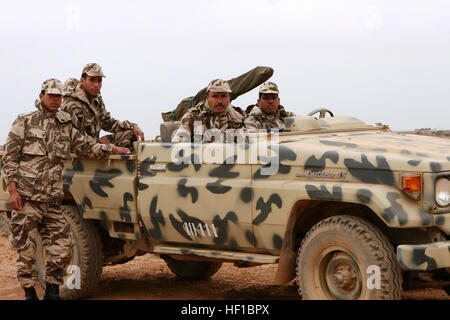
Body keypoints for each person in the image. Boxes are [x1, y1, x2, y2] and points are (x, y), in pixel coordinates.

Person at [1, 79, 131, 300]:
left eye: (59, 96)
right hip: (27, 200)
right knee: (27, 251)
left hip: (52, 201)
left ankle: (52, 292)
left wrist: (113, 148)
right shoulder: (24, 122)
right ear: (41, 95)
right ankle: (30, 292)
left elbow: (86, 145)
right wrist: (13, 192)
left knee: (62, 248)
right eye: (51, 95)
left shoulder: (64, 123)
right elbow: (10, 159)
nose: (55, 100)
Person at [61, 63, 144, 150]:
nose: (96, 85)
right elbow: (77, 140)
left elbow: (107, 122)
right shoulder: (71, 104)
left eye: (99, 81)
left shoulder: (96, 98)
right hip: (80, 149)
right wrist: (108, 148)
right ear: (82, 81)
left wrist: (132, 126)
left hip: (95, 145)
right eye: (92, 80)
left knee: (131, 134)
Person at [171, 79, 245, 142]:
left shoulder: (239, 117)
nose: (219, 101)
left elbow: (250, 145)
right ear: (207, 97)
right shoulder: (193, 116)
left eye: (223, 96)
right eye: (215, 96)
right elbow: (178, 143)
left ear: (229, 97)